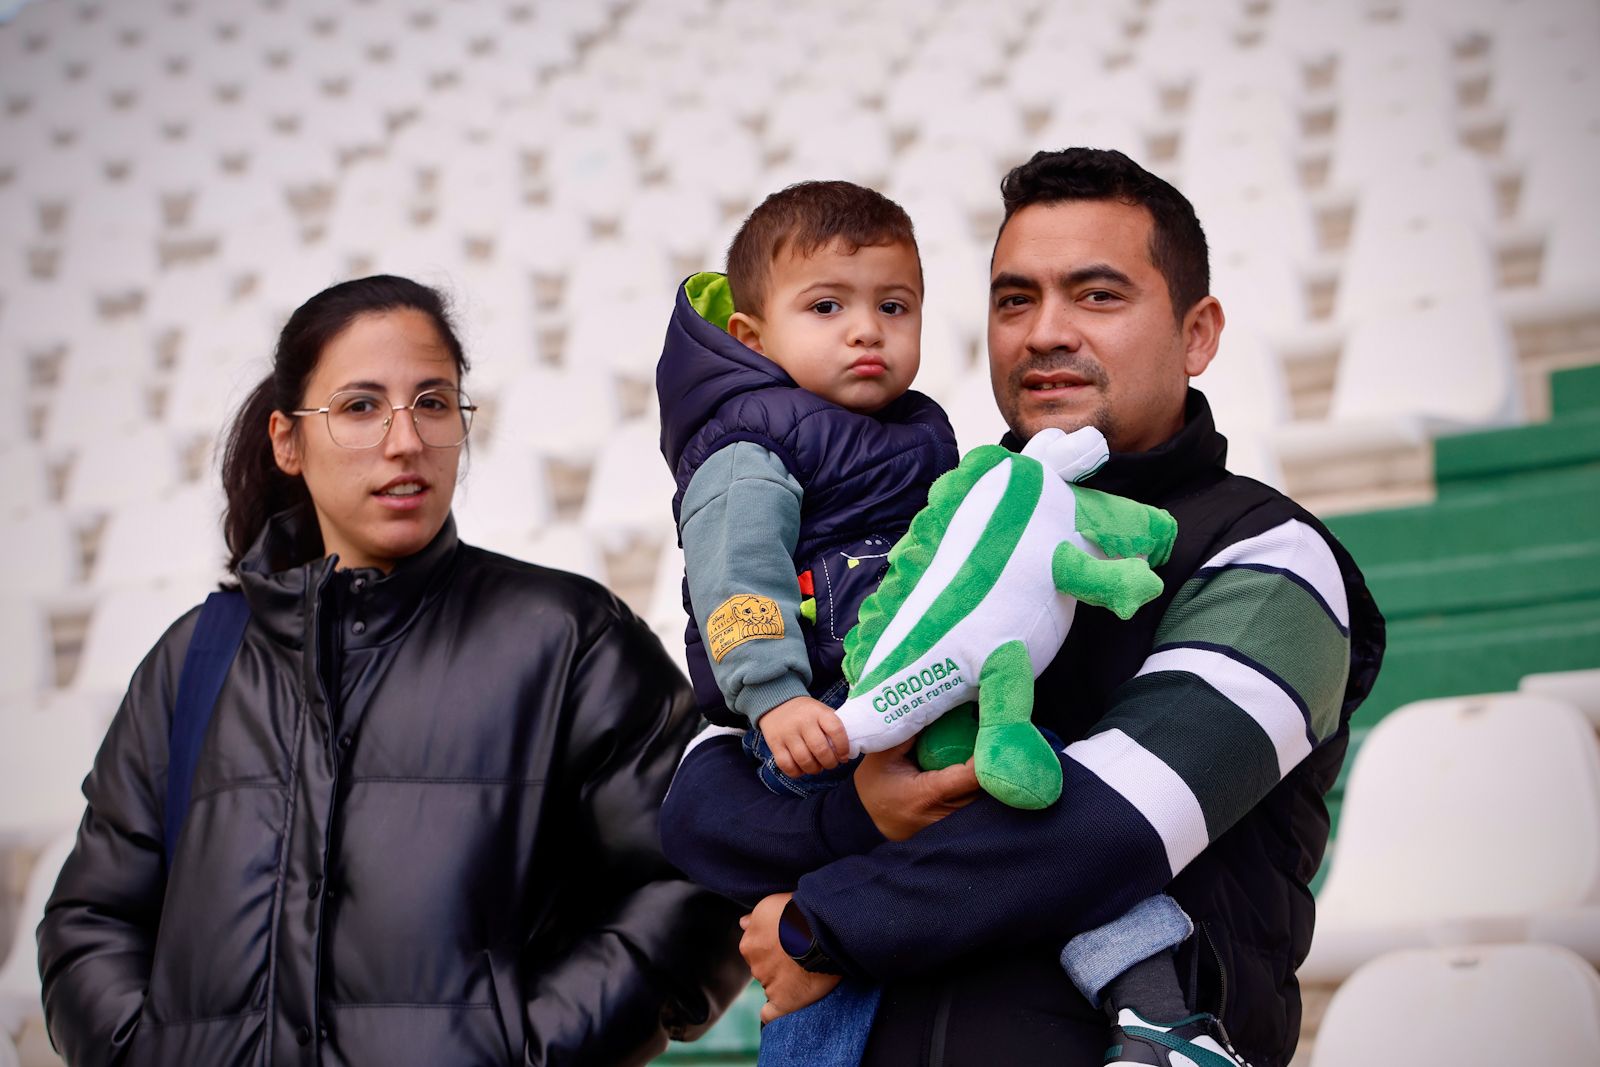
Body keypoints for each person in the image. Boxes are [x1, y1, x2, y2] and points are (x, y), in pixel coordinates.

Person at [658, 149, 1386, 1067]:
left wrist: (820, 919)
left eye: (1097, 295)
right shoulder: (927, 522)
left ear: (1197, 333)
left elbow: (1101, 832)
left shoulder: (1271, 555)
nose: (1045, 331)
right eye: (1014, 300)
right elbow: (698, 800)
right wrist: (861, 819)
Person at [37, 275, 746, 1067]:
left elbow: (696, 876)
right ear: (287, 440)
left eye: (435, 402)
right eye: (361, 406)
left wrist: (524, 1052)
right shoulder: (190, 662)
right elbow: (90, 920)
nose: (406, 440)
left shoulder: (567, 639)